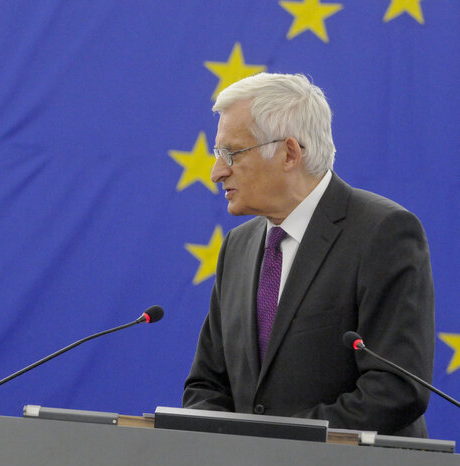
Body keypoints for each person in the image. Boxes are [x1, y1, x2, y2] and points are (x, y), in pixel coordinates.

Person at [183, 73, 434, 437]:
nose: (217, 172)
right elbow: (205, 386)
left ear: (289, 153)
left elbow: (396, 389)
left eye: (231, 153)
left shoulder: (383, 232)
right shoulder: (238, 246)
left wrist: (277, 444)